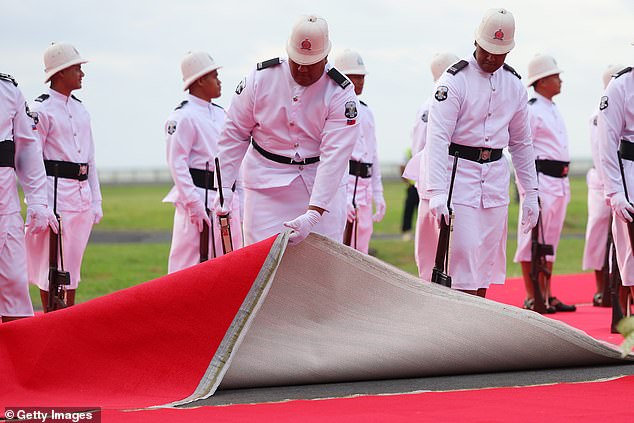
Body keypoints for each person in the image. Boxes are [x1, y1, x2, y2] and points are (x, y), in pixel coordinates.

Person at [423, 8, 539, 297]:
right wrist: (436, 191)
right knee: (461, 253)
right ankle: (458, 330)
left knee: (486, 259)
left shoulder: (514, 85)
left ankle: (478, 330)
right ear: (476, 42)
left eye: (498, 53)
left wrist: (531, 192)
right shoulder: (454, 81)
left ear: (509, 52)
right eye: (486, 50)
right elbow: (437, 138)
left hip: (495, 177)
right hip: (458, 175)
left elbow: (522, 143)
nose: (490, 57)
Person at [215, 15, 359, 246]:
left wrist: (313, 214)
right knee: (261, 265)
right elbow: (234, 132)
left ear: (325, 58)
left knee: (322, 269)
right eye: (296, 60)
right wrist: (223, 186)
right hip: (265, 187)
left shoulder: (340, 92)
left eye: (309, 63)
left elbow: (335, 156)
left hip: (319, 188)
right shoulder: (260, 78)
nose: (301, 68)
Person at [25, 43, 102, 311]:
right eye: (77, 68)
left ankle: (68, 317)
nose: (82, 73)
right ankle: (51, 317)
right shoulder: (40, 109)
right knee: (50, 265)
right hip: (54, 191)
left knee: (72, 262)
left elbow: (90, 159)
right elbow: (32, 157)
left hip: (80, 193)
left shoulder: (81, 110)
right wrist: (40, 203)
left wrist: (96, 199)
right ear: (60, 73)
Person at [163, 51, 243, 273]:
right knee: (189, 263)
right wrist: (193, 202)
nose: (219, 81)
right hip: (198, 196)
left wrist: (241, 196)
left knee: (226, 261)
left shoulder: (221, 114)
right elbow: (177, 162)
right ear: (199, 80)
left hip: (224, 198)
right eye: (214, 76)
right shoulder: (183, 116)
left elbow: (235, 157)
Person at [512, 54, 575, 312]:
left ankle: (547, 294)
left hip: (559, 181)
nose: (560, 80)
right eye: (555, 76)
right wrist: (528, 190)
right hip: (540, 181)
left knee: (551, 241)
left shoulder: (551, 108)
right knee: (531, 240)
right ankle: (532, 296)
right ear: (542, 81)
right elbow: (521, 150)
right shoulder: (532, 109)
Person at [0, 73, 57, 321]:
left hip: (6, 210)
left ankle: (19, 359)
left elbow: (27, 148)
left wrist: (37, 201)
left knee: (15, 287)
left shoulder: (8, 90)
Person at [402, 52, 459, 263]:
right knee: (431, 253)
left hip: (450, 184)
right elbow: (419, 147)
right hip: (431, 186)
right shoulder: (430, 106)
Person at [333, 49, 385, 253]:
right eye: (355, 76)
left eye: (362, 77)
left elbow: (373, 155)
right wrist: (341, 196)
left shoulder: (366, 111)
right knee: (342, 251)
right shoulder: (333, 108)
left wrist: (378, 194)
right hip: (345, 185)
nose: (361, 81)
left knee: (361, 249)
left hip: (364, 188)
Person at [582, 64, 624, 306]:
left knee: (621, 240)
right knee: (599, 235)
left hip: (623, 180)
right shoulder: (599, 114)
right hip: (603, 180)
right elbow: (601, 154)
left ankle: (618, 288)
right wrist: (612, 185)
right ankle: (603, 289)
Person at [597, 51, 634, 310]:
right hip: (630, 174)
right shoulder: (621, 85)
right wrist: (614, 192)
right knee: (632, 260)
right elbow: (606, 143)